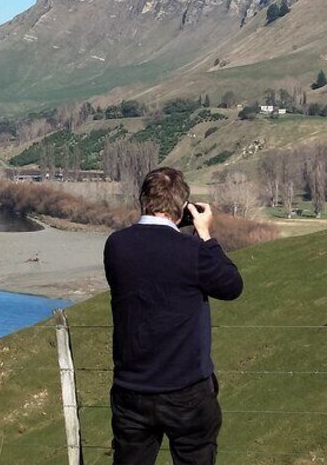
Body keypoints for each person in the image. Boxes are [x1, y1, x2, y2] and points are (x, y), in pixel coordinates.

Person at [104, 167, 243, 464]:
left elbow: (150, 257)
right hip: (186, 388)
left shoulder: (116, 246)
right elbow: (231, 286)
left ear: (142, 199)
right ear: (182, 208)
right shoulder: (192, 251)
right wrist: (205, 235)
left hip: (132, 387)